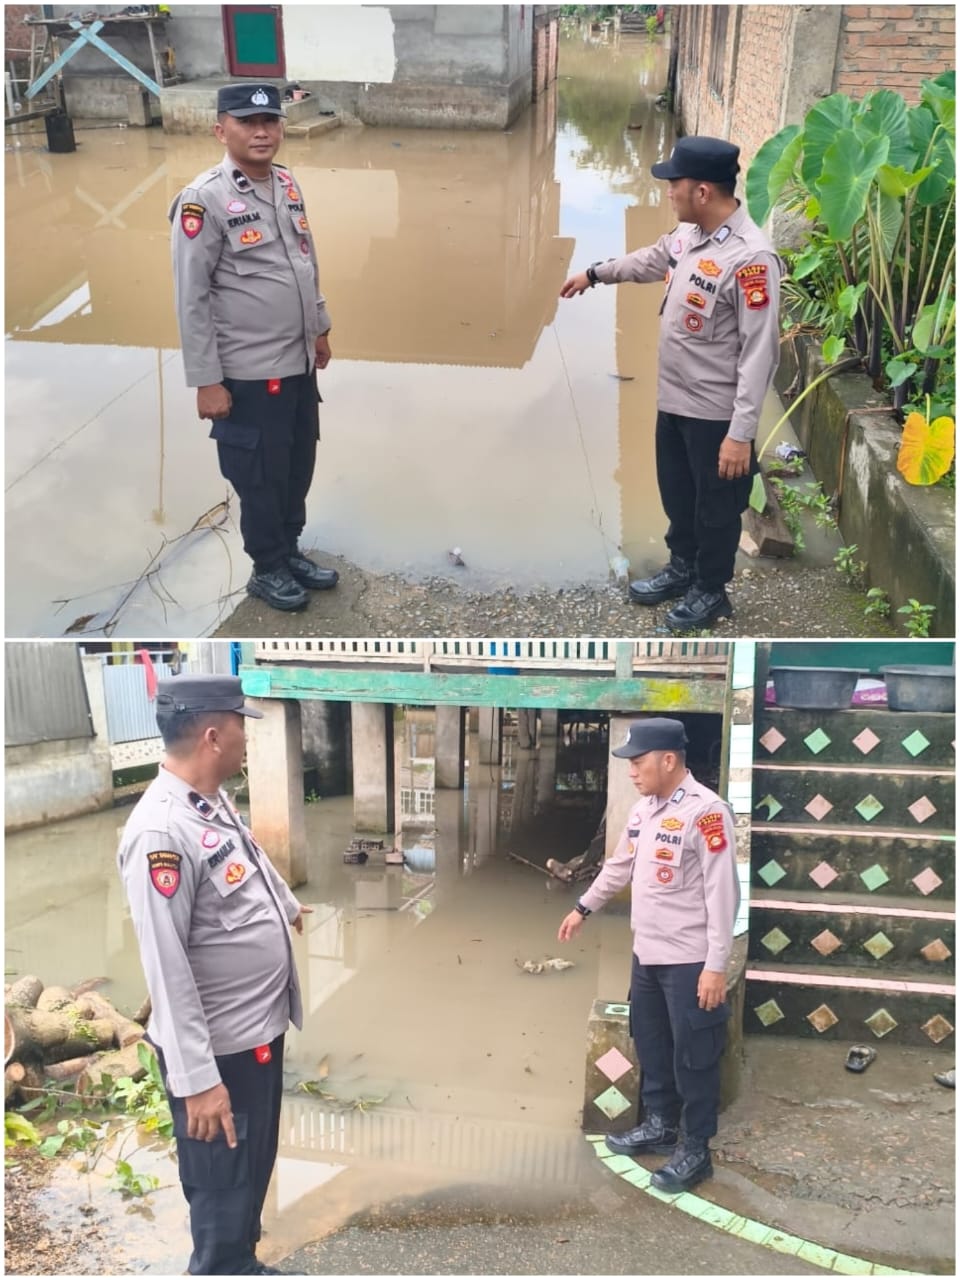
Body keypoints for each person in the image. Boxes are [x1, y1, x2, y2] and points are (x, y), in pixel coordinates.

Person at [117, 675, 311, 1276]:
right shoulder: (160, 834)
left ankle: (242, 1262)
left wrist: (285, 904)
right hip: (218, 1053)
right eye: (240, 725)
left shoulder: (209, 798)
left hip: (255, 1035)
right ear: (211, 735)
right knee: (222, 1189)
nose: (247, 737)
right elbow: (166, 967)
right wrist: (198, 1081)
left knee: (251, 1170)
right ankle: (224, 1266)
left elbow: (245, 854)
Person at [560, 135, 782, 631]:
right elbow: (651, 260)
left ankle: (710, 592)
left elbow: (760, 353)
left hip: (716, 415)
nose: (667, 192)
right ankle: (682, 569)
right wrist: (595, 274)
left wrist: (740, 433)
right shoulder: (690, 237)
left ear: (702, 191)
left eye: (673, 184)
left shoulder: (751, 260)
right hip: (675, 403)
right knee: (678, 498)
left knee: (716, 510)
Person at [170, 83, 338, 612]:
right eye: (247, 122)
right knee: (259, 474)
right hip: (245, 372)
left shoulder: (287, 184)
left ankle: (288, 551)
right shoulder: (204, 199)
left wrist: (320, 326)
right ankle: (266, 567)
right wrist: (206, 380)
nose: (262, 131)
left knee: (296, 465)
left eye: (270, 121)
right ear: (221, 130)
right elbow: (190, 297)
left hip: (296, 362)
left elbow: (303, 262)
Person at [558, 717, 739, 1192]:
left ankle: (695, 1150)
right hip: (648, 953)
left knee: (693, 1056)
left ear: (669, 760)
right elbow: (618, 867)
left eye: (637, 763)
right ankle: (660, 1124)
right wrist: (583, 908)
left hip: (689, 961)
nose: (632, 773)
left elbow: (724, 895)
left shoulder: (708, 814)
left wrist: (715, 965)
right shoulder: (644, 810)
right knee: (652, 1043)